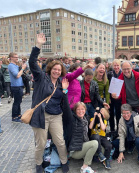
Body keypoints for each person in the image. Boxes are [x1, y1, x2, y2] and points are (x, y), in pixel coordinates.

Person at [29, 33, 69, 173]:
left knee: (60, 141)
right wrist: (38, 45)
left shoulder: (60, 83)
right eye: (55, 69)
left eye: (59, 70)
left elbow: (63, 101)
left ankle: (64, 162)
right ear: (50, 69)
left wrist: (65, 91)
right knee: (40, 144)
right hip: (41, 115)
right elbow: (32, 63)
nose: (57, 71)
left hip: (56, 116)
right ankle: (38, 164)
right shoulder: (41, 78)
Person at [112, 104, 139, 169]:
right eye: (123, 113)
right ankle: (130, 146)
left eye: (127, 113)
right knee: (115, 143)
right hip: (128, 138)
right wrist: (121, 152)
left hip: (137, 136)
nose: (126, 115)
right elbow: (121, 136)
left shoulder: (138, 119)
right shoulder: (121, 121)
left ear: (131, 112)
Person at [63, 101, 98, 173]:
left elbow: (93, 127)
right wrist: (64, 93)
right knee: (94, 143)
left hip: (82, 145)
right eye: (78, 109)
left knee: (101, 150)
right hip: (75, 150)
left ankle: (85, 157)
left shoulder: (86, 119)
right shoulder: (72, 120)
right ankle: (84, 167)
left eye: (82, 109)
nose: (80, 111)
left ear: (85, 110)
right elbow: (66, 109)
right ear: (75, 111)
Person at [8, 52, 27, 123]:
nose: (17, 58)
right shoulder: (11, 66)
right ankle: (14, 116)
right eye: (15, 57)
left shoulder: (15, 65)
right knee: (16, 102)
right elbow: (17, 75)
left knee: (19, 101)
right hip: (16, 86)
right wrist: (22, 69)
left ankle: (18, 114)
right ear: (11, 58)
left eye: (17, 57)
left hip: (19, 85)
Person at [107, 59, 122, 132]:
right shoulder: (110, 74)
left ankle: (119, 129)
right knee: (111, 114)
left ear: (120, 66)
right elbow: (107, 86)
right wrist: (108, 97)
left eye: (117, 65)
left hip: (119, 97)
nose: (116, 67)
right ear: (113, 66)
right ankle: (112, 129)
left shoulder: (122, 73)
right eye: (115, 65)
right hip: (111, 97)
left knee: (119, 114)